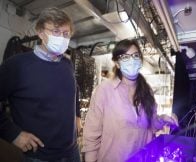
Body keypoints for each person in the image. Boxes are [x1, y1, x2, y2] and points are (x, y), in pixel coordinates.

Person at [0, 7, 81, 162]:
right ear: (40, 32)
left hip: (72, 152)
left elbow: (75, 89)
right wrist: (13, 134)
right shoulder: (16, 65)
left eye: (66, 34)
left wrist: (77, 114)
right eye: (56, 31)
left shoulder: (67, 64)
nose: (62, 38)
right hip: (39, 156)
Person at [82, 39, 178, 162]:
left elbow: (151, 124)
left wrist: (164, 119)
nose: (131, 60)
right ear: (117, 63)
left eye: (135, 55)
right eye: (125, 57)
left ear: (140, 60)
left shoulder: (147, 91)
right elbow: (91, 135)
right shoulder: (104, 90)